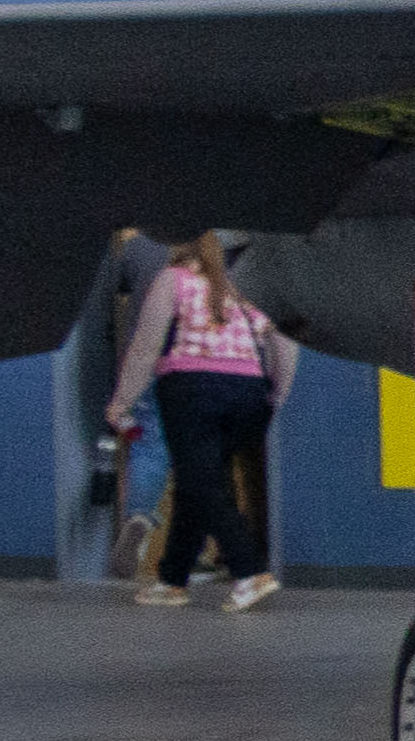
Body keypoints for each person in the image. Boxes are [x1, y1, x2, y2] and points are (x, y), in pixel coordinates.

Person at [104, 229, 297, 611]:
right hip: (248, 395)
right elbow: (283, 341)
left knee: (202, 484)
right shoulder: (239, 289)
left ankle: (250, 571)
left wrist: (121, 402)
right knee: (198, 484)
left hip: (192, 390)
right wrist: (277, 392)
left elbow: (145, 346)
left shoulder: (173, 280)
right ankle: (173, 579)